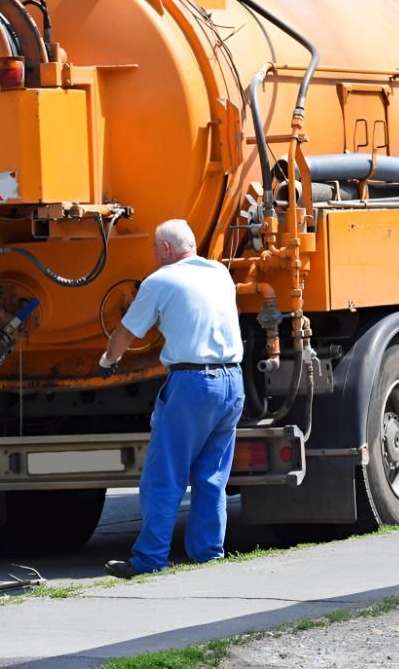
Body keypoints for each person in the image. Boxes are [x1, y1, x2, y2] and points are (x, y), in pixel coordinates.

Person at [99, 218, 245, 579]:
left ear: (165, 249)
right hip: (233, 382)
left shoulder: (160, 280)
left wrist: (108, 362)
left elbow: (126, 332)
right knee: (212, 475)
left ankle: (150, 559)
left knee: (165, 474)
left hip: (193, 384)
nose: (153, 255)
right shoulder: (218, 273)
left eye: (154, 249)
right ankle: (209, 555)